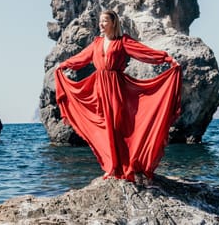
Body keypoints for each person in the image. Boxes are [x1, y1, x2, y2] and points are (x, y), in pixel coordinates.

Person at [54, 10, 182, 186]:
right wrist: (64, 65)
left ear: (113, 23)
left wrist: (167, 59)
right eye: (100, 21)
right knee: (106, 127)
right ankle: (112, 167)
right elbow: (81, 58)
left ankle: (126, 166)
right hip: (99, 88)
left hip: (117, 88)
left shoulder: (123, 42)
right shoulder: (97, 43)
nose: (101, 24)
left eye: (104, 21)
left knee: (118, 126)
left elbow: (144, 52)